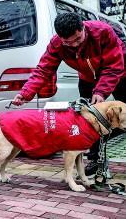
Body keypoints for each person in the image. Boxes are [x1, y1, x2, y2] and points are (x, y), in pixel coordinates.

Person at [12, 12, 126, 176]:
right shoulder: (57, 44)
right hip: (87, 79)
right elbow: (44, 70)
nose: (73, 45)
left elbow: (114, 66)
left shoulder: (103, 32)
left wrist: (101, 92)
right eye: (67, 42)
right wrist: (26, 93)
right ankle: (95, 159)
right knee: (89, 120)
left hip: (119, 74)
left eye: (77, 40)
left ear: (83, 28)